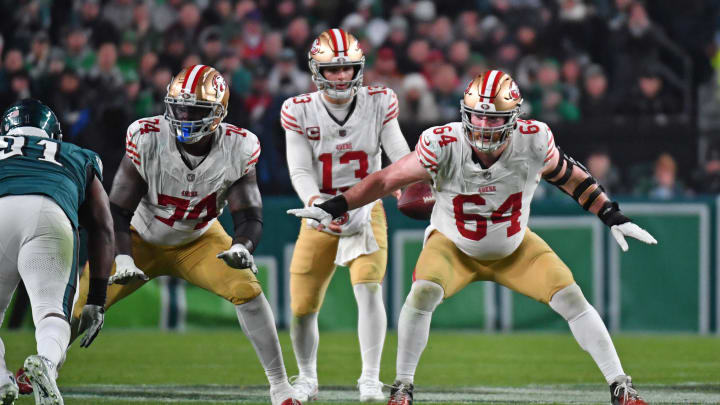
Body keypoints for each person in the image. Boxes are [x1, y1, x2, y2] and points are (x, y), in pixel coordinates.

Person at [289, 70, 657, 405]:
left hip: (515, 247)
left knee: (572, 299)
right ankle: (402, 387)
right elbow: (386, 180)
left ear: (513, 117)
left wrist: (611, 214)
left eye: (494, 117)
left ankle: (620, 386)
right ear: (464, 111)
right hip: (453, 246)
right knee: (422, 293)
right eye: (477, 114)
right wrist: (335, 204)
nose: (483, 124)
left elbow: (571, 177)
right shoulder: (443, 142)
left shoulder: (534, 140)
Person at [69, 65, 300, 405]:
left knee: (247, 290)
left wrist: (243, 245)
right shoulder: (147, 137)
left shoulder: (239, 146)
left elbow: (249, 213)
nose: (184, 116)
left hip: (200, 239)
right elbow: (117, 211)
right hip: (139, 237)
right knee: (80, 302)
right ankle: (40, 369)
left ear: (218, 113)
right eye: (179, 107)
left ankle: (280, 387)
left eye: (196, 110)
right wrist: (122, 257)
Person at [281, 28, 410, 403]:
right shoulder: (298, 108)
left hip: (366, 210)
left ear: (359, 69)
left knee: (369, 291)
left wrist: (406, 178)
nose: (340, 76)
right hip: (317, 211)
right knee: (302, 307)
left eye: (347, 69)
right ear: (316, 70)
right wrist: (318, 204)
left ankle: (370, 379)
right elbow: (300, 168)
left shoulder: (380, 101)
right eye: (332, 69)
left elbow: (397, 152)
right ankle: (307, 378)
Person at [0, 99, 113, 405]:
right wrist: (97, 300)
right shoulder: (77, 154)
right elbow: (103, 227)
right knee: (51, 311)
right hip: (49, 212)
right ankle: (46, 362)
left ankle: (1, 381)